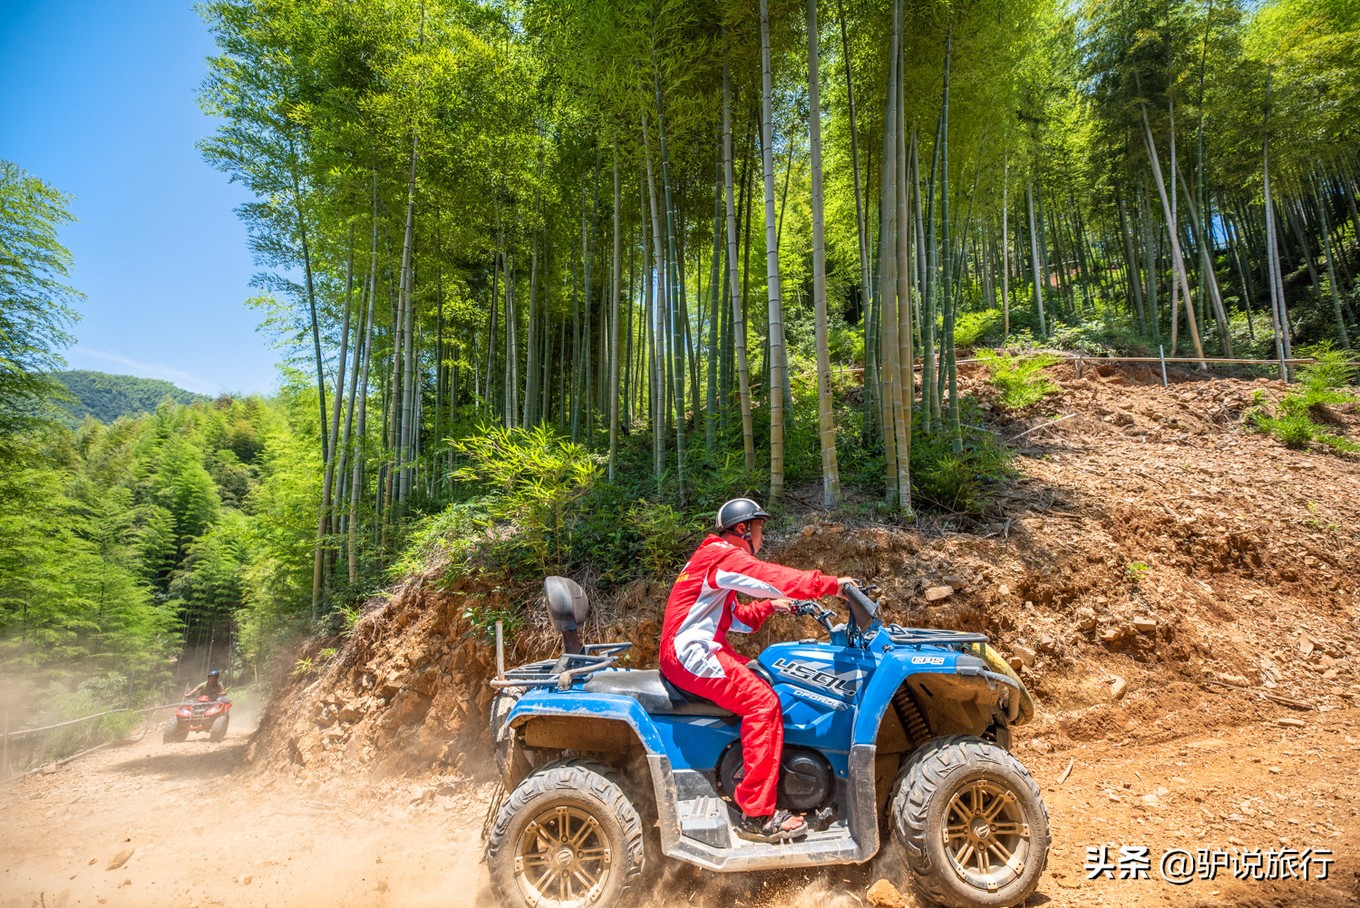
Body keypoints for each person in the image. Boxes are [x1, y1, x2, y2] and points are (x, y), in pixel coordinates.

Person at [658, 498, 854, 843]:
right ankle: (757, 815)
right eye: (759, 529)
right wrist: (833, 585)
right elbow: (770, 577)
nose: (762, 538)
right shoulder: (724, 555)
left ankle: (757, 780)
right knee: (763, 704)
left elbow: (737, 620)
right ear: (742, 530)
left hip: (690, 651)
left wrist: (771, 607)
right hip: (690, 654)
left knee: (765, 684)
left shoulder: (713, 558)